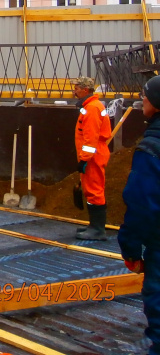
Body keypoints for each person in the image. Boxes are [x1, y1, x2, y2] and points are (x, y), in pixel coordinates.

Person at [119, 74, 160, 354]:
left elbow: (142, 203)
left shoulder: (152, 148)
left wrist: (132, 249)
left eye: (144, 98)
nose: (141, 102)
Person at [71, 76, 112, 241]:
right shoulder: (91, 106)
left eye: (77, 88)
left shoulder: (92, 108)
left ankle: (97, 229)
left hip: (93, 156)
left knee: (94, 190)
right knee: (90, 189)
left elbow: (90, 138)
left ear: (85, 90)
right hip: (93, 154)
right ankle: (94, 225)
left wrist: (84, 159)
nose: (74, 90)